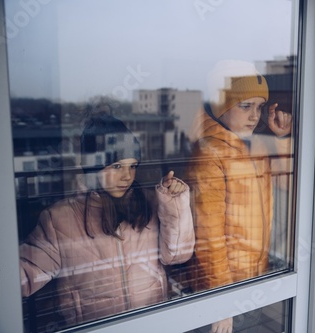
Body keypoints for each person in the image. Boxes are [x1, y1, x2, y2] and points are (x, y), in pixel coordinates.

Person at [19, 114, 195, 329]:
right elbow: (24, 274)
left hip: (151, 322)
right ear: (94, 166)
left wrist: (172, 204)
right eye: (117, 166)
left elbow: (178, 254)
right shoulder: (60, 219)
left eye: (132, 166)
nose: (127, 177)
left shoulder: (148, 203)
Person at [187, 60, 292, 333]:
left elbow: (288, 185)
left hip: (253, 275)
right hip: (222, 285)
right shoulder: (210, 153)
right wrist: (223, 299)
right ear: (222, 105)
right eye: (245, 106)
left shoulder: (256, 144)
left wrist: (280, 139)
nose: (255, 116)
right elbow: (208, 236)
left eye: (259, 107)